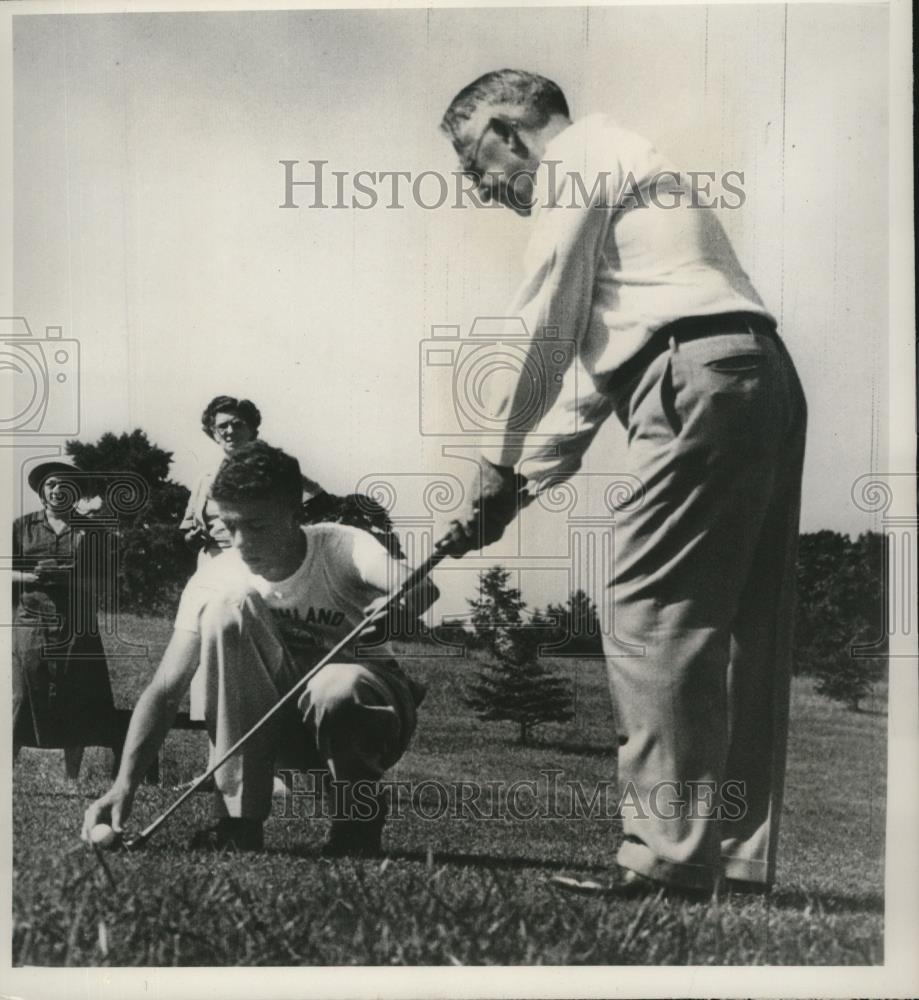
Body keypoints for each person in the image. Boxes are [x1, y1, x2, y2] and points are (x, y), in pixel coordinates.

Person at [439, 70, 807, 898]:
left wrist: (492, 462)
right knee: (745, 621)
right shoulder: (624, 164)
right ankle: (735, 864)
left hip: (692, 376)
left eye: (473, 162)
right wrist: (520, 484)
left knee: (649, 613)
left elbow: (544, 322)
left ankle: (666, 859)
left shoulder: (575, 161)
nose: (481, 188)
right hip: (751, 371)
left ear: (506, 129)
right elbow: (595, 378)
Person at [83, 440, 436, 853]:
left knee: (335, 687)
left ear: (294, 513)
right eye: (229, 525)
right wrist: (123, 785)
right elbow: (164, 691)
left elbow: (421, 586)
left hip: (368, 716)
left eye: (257, 526)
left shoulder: (341, 545)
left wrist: (399, 603)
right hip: (268, 727)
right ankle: (237, 823)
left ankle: (355, 817)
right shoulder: (214, 577)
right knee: (225, 609)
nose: (241, 542)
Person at [180, 395, 326, 721]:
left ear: (253, 429)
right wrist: (193, 537)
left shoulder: (273, 468)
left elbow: (317, 505)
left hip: (262, 569)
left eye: (237, 424)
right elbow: (188, 529)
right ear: (213, 434)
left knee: (260, 650)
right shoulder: (205, 479)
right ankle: (217, 749)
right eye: (221, 427)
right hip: (215, 568)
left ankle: (277, 755)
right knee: (212, 647)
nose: (229, 431)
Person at [12, 460, 123, 782]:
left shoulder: (92, 530)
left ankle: (71, 779)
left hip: (77, 625)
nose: (58, 490)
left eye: (65, 485)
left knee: (77, 695)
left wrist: (72, 578)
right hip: (31, 622)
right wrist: (33, 575)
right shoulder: (22, 527)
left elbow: (106, 581)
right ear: (42, 492)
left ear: (75, 493)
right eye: (51, 485)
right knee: (21, 697)